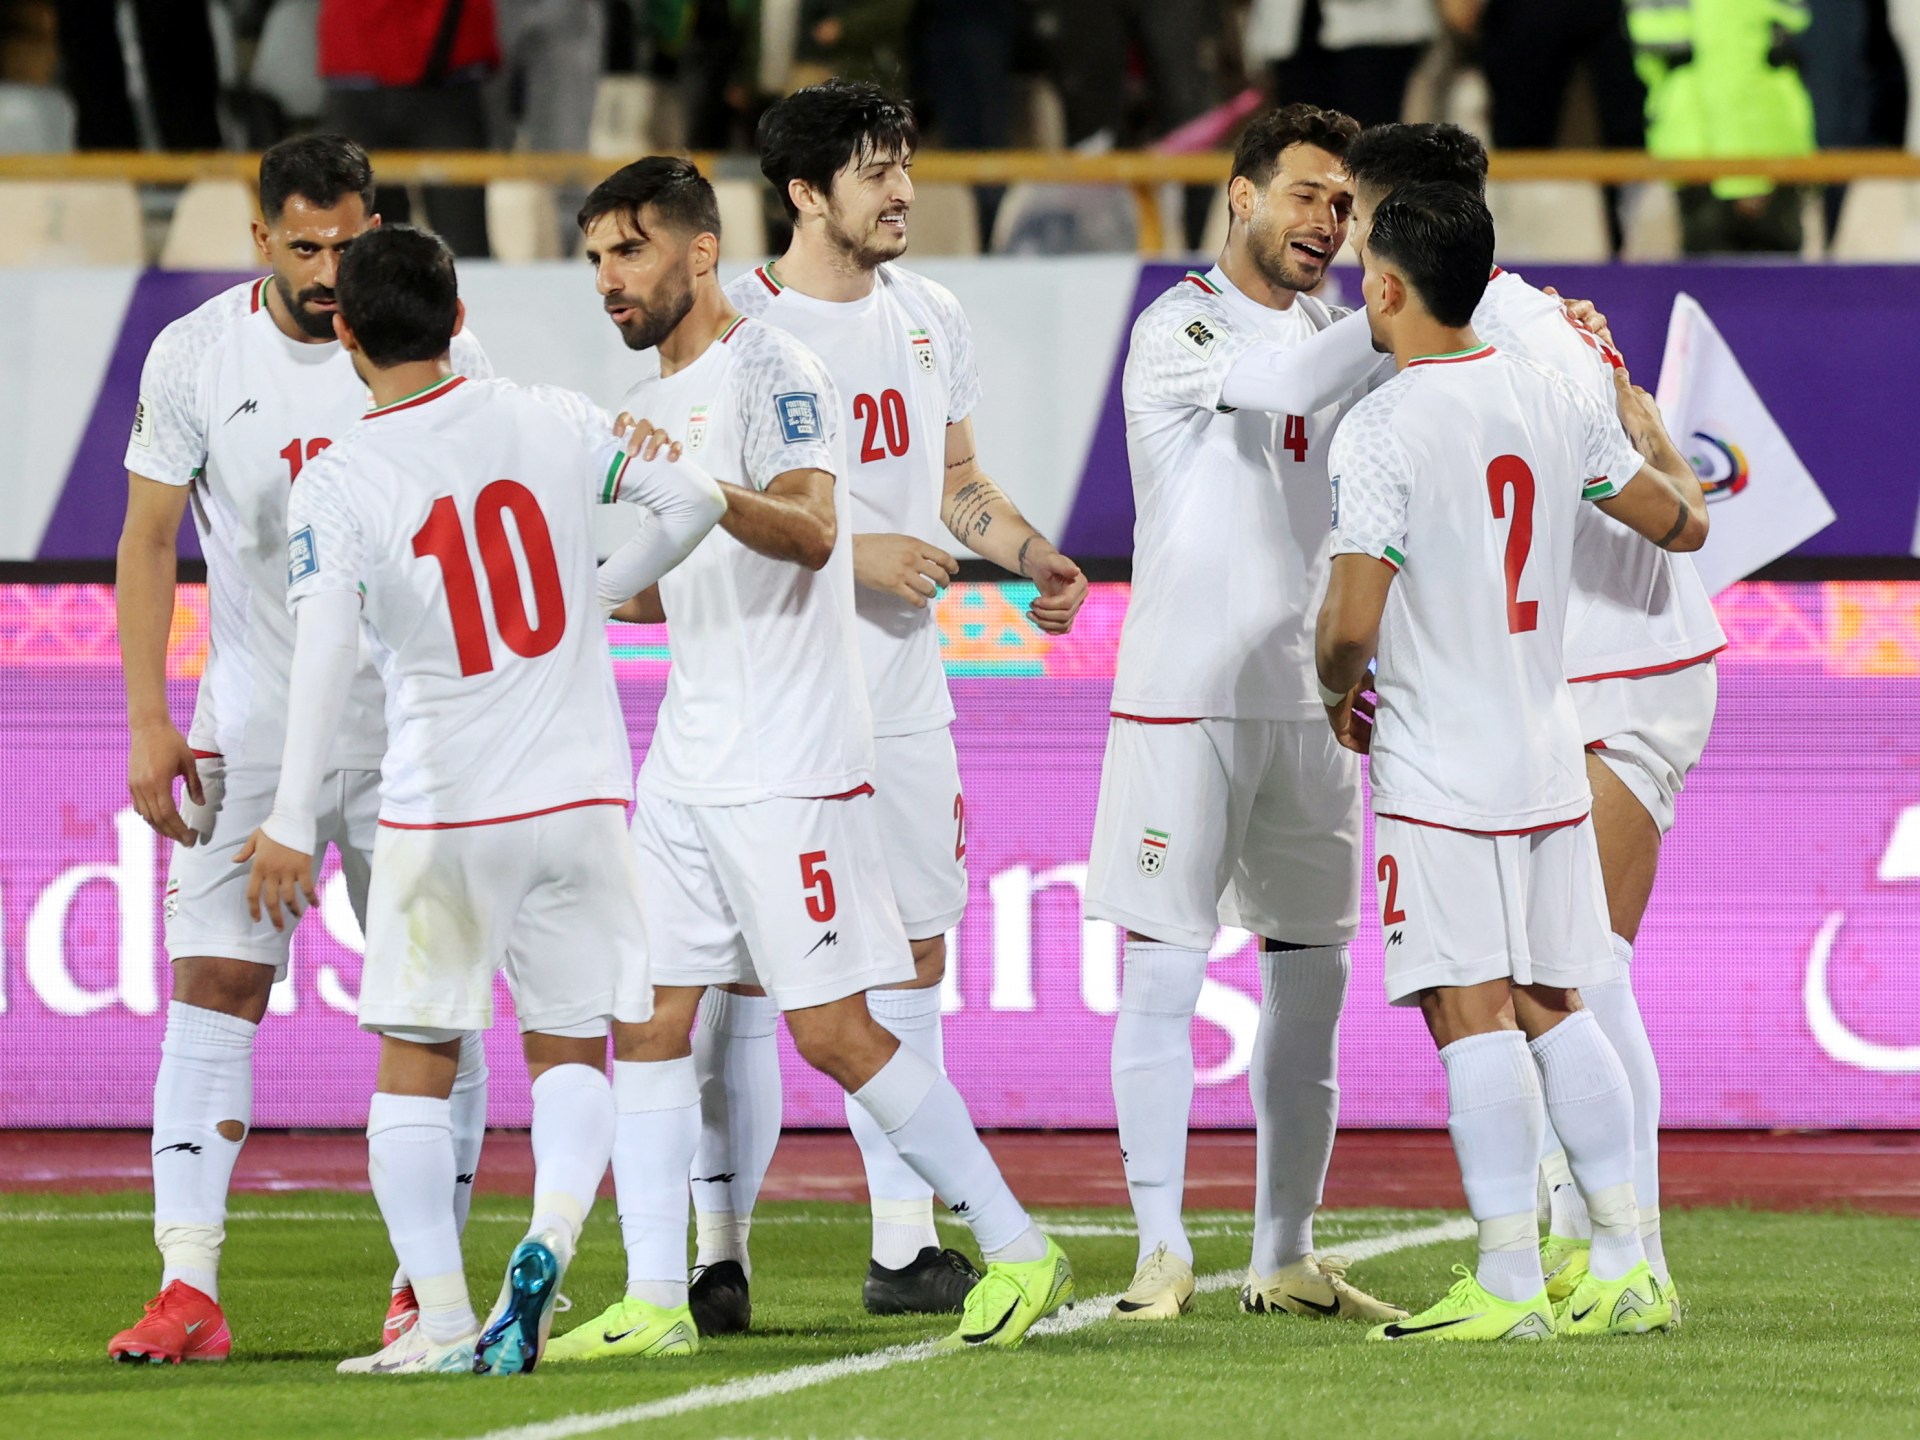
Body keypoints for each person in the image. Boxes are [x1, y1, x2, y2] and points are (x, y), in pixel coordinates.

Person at [543, 157, 1074, 1361]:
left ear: (697, 252)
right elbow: (673, 584)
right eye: (595, 258)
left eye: (628, 251)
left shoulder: (775, 370)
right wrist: (576, 590)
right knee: (651, 1019)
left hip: (788, 759)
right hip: (688, 756)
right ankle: (655, 1299)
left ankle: (1015, 1245)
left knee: (833, 1031)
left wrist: (693, 489)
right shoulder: (654, 395)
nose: (608, 279)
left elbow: (813, 526)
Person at [242, 223, 727, 1376]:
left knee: (416, 1060)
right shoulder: (551, 415)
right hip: (580, 796)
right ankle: (548, 1241)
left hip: (444, 807)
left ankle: (448, 1322)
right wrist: (595, 592)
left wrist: (291, 817)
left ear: (344, 335)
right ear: (459, 317)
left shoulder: (339, 476)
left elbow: (325, 653)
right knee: (571, 1050)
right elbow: (695, 500)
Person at [670, 78, 1089, 1329]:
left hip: (901, 696)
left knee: (912, 953)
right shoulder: (733, 322)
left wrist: (1030, 553)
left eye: (905, 163)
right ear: (806, 192)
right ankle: (717, 1253)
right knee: (742, 981)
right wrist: (859, 554)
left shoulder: (930, 315)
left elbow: (954, 482)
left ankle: (905, 1246)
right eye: (874, 169)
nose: (901, 189)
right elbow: (696, 508)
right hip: (768, 696)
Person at [107, 134, 493, 1367]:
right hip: (254, 734)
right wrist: (150, 717)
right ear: (261, 235)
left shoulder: (434, 345)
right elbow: (147, 540)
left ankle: (425, 1286)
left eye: (348, 241)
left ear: (376, 225)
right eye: (305, 245)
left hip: (413, 743)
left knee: (434, 1008)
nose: (330, 272)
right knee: (213, 986)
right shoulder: (195, 354)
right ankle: (188, 1288)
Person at [1342, 119, 1724, 1320]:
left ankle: (1626, 1257)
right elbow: (1665, 505)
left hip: (1614, 665)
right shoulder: (1525, 324)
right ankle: (1588, 1250)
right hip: (1566, 672)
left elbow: (1651, 516)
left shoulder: (1504, 344)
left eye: (1356, 217)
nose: (1344, 241)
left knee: (1578, 979)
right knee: (1560, 986)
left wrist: (1342, 676)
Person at [1082, 103, 1403, 1326]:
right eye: (1308, 194)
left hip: (1311, 702)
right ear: (1242, 195)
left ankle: (1284, 1254)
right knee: (1165, 971)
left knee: (1313, 983)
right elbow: (1285, 384)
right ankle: (1160, 1251)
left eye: (1346, 205)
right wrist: (1403, 299)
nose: (1329, 220)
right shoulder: (1181, 325)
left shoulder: (1337, 332)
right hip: (1187, 698)